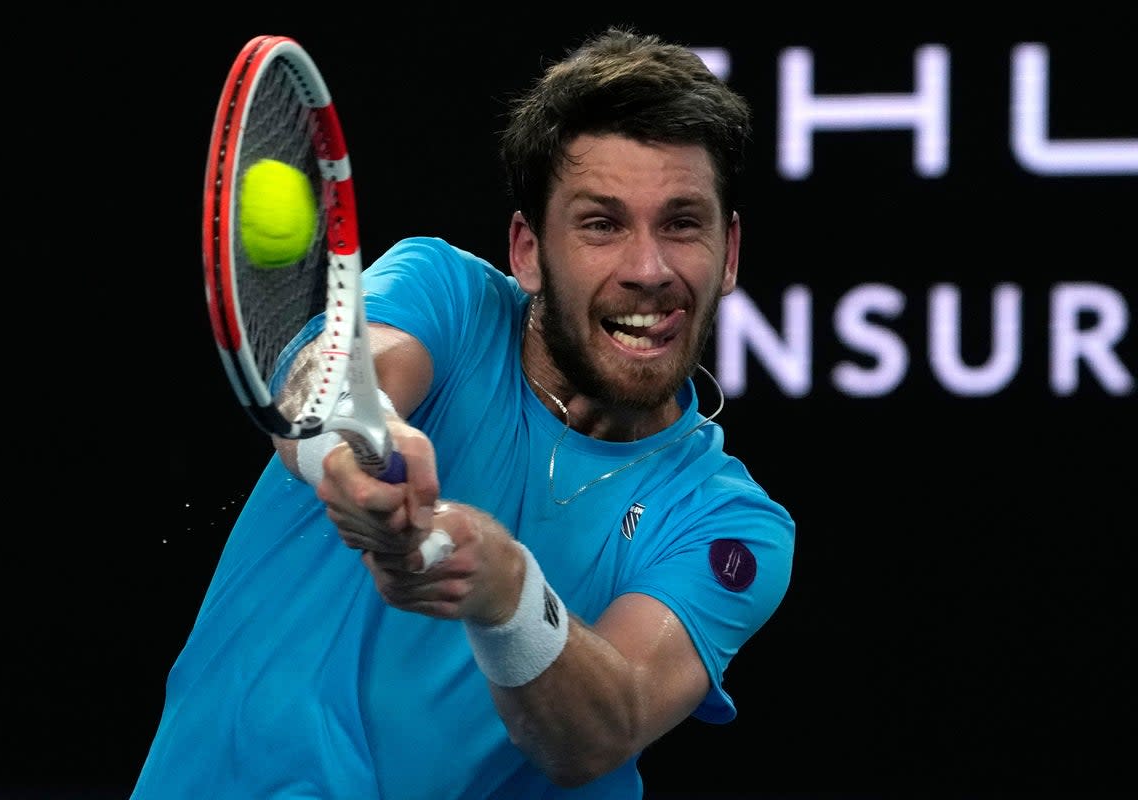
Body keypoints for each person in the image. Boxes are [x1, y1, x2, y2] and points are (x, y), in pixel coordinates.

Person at [135, 25, 795, 799]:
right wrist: (359, 453)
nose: (648, 269)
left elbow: (606, 730)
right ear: (526, 250)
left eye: (682, 223)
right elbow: (340, 381)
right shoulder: (442, 290)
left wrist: (508, 594)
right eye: (601, 224)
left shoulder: (729, 523)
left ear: (730, 253)